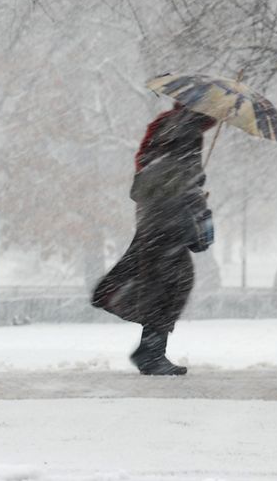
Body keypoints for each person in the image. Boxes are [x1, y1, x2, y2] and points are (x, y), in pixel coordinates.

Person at [92, 104, 217, 375]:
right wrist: (194, 194)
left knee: (161, 285)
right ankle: (150, 353)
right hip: (167, 221)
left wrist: (191, 187)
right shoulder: (187, 130)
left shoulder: (169, 125)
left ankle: (150, 351)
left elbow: (156, 174)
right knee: (170, 286)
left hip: (154, 218)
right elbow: (179, 175)